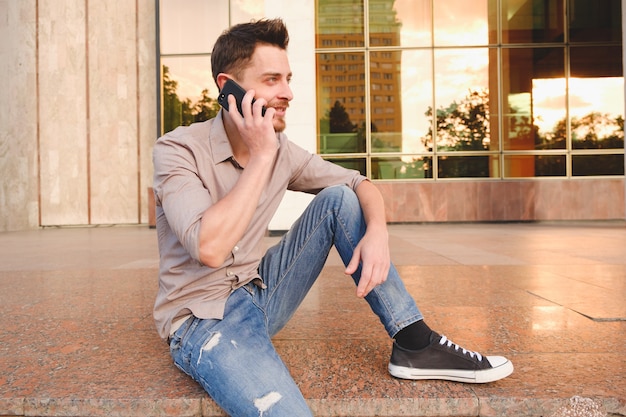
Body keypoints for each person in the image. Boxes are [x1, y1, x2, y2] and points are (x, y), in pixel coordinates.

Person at [152, 18, 513, 417]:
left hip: (260, 291)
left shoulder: (283, 150)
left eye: (288, 79)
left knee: (340, 198)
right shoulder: (177, 150)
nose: (288, 93)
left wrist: (377, 232)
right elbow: (210, 248)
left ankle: (414, 343)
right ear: (227, 87)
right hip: (203, 321)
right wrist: (262, 155)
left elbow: (360, 184)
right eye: (272, 80)